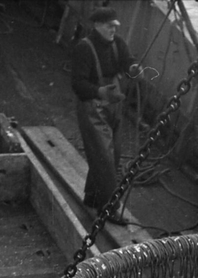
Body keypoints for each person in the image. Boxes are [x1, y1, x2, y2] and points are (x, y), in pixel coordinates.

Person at [71, 7, 135, 224]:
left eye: (115, 26)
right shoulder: (84, 48)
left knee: (112, 155)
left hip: (114, 106)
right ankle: (108, 208)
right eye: (109, 26)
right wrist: (99, 91)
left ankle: (92, 197)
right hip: (92, 108)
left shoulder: (118, 43)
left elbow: (128, 62)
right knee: (105, 158)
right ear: (97, 25)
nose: (113, 30)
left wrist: (134, 69)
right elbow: (77, 84)